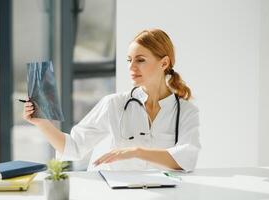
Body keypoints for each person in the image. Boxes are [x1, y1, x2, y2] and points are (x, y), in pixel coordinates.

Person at [23, 28, 201, 172]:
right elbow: (74, 148)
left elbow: (187, 158)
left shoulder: (186, 112)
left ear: (164, 63)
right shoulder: (114, 104)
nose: (131, 67)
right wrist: (42, 123)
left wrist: (136, 152)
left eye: (140, 60)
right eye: (129, 60)